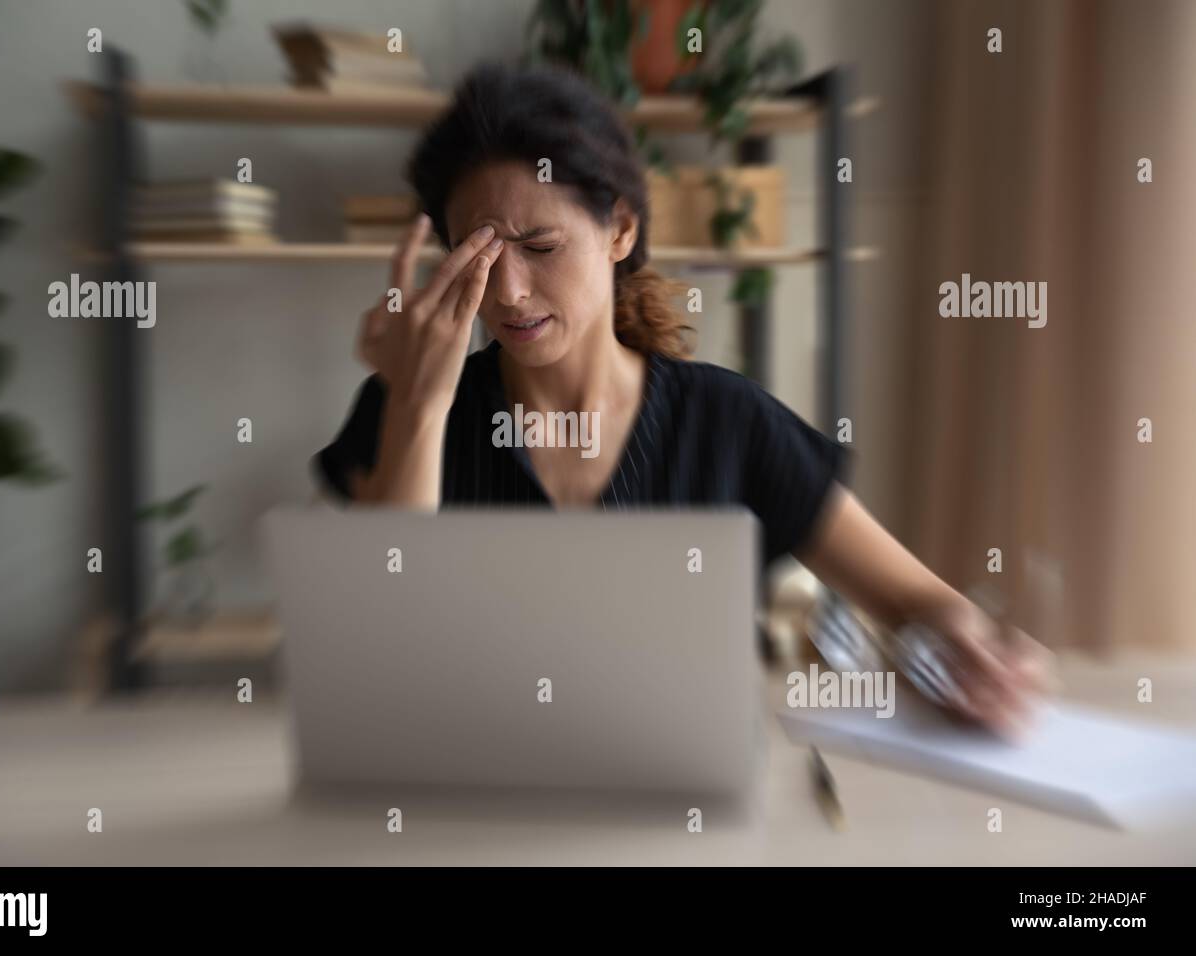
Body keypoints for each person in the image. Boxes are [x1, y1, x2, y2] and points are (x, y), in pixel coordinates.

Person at [314, 62, 1053, 737]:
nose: (508, 293)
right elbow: (379, 660)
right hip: (462, 812)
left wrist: (969, 644)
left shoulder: (728, 423)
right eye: (478, 254)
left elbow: (915, 600)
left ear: (621, 228)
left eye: (539, 247)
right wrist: (417, 406)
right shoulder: (404, 409)